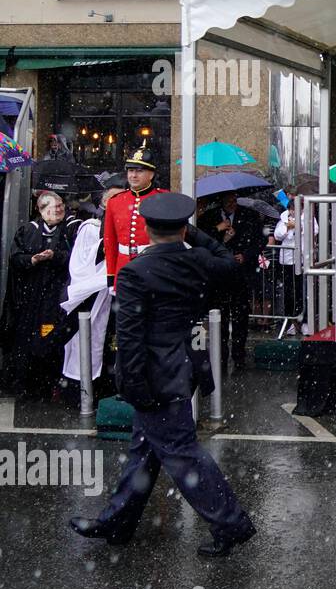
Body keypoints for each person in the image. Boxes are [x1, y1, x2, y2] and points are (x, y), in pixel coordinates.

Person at [69, 193, 256, 558]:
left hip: (154, 374)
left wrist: (133, 385)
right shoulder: (199, 261)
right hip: (183, 363)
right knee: (144, 450)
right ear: (183, 228)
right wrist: (196, 236)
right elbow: (226, 262)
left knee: (182, 453)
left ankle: (231, 523)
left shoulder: (136, 272)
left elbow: (131, 337)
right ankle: (117, 522)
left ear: (147, 231)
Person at [4, 192, 75, 399]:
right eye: (55, 208)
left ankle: (52, 384)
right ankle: (24, 384)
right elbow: (16, 258)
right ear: (42, 210)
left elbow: (76, 258)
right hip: (31, 296)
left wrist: (56, 257)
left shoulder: (68, 231)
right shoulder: (27, 231)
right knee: (27, 339)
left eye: (61, 206)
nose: (60, 210)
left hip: (56, 296)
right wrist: (32, 260)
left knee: (51, 337)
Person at [61, 179, 127, 395]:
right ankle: (90, 391)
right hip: (95, 295)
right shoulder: (91, 227)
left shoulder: (131, 227)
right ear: (105, 201)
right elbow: (81, 263)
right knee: (91, 342)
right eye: (113, 198)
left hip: (121, 296)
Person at [198, 191, 264, 368]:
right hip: (218, 276)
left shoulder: (249, 215)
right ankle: (220, 354)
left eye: (234, 200)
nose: (231, 203)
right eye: (228, 200)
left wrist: (245, 255)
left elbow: (259, 241)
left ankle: (239, 355)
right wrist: (219, 232)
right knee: (219, 317)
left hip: (240, 275)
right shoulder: (209, 218)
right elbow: (201, 241)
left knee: (240, 317)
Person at [103, 147, 165, 287]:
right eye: (131, 171)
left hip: (154, 268)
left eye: (139, 171)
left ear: (151, 175)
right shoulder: (115, 201)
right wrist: (111, 276)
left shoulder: (163, 198)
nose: (133, 176)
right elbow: (110, 242)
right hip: (124, 269)